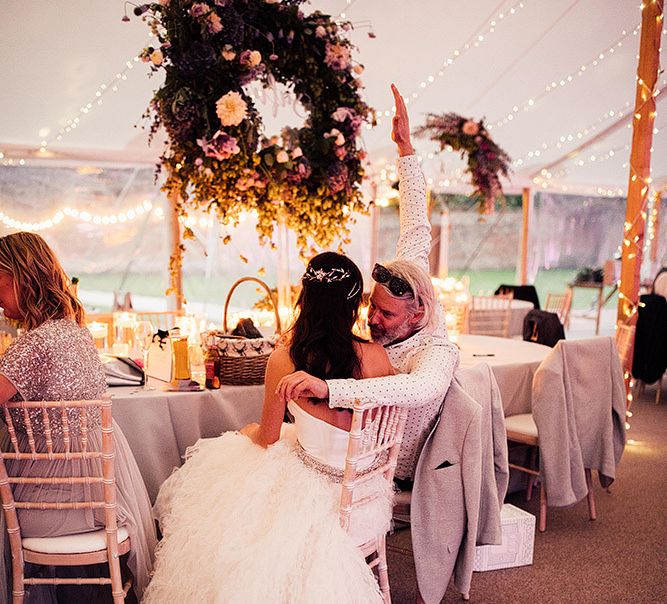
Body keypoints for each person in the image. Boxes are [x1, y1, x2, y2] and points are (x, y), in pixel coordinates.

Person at [142, 252, 394, 603]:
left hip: (321, 494)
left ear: (304, 300)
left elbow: (268, 439)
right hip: (366, 489)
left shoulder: (285, 358)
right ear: (354, 304)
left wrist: (248, 432)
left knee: (227, 496)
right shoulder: (378, 358)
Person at [276, 84, 460, 485]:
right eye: (371, 306)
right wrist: (405, 150)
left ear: (419, 313)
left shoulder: (437, 350)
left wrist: (328, 389)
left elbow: (416, 389)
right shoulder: (406, 277)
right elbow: (415, 221)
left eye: (386, 314)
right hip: (352, 442)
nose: (372, 319)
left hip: (400, 466)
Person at [0, 231, 156, 603]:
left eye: (0, 287)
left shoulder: (33, 344)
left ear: (22, 279)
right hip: (98, 504)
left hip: (48, 511)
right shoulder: (76, 332)